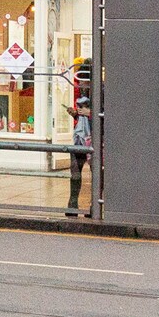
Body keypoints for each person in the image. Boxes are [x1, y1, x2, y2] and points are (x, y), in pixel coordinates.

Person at [66, 58, 95, 215]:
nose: (82, 84)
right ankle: (72, 203)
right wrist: (75, 113)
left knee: (95, 173)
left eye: (85, 81)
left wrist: (90, 113)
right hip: (80, 137)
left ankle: (94, 205)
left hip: (95, 138)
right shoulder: (81, 92)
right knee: (75, 172)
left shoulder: (102, 91)